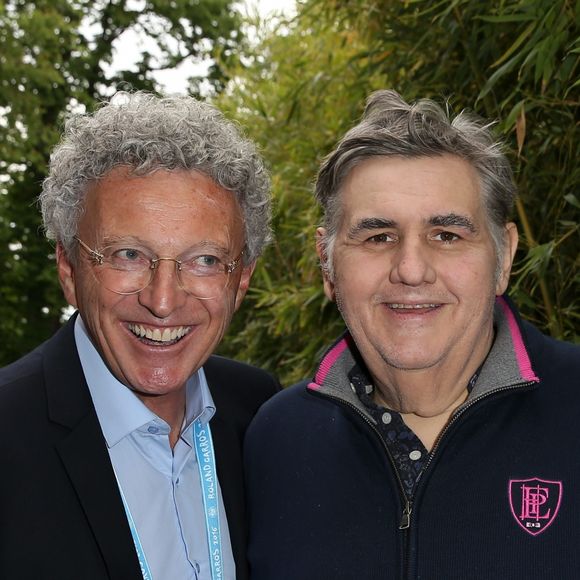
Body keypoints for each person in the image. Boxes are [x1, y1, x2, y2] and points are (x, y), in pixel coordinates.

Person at [244, 90, 580, 579]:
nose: (411, 269)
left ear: (504, 256)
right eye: (378, 237)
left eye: (447, 235)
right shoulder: (275, 440)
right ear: (328, 263)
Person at [0, 91, 279, 580]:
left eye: (205, 260)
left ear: (241, 280)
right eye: (129, 255)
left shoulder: (263, 416)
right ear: (68, 267)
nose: (164, 300)